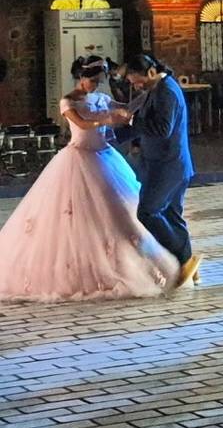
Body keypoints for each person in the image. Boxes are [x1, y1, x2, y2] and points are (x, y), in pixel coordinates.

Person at [0, 56, 179, 301]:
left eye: (98, 81)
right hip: (78, 159)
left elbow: (127, 108)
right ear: (81, 78)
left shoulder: (102, 99)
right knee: (74, 214)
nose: (95, 85)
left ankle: (137, 260)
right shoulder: (68, 101)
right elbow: (82, 124)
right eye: (91, 81)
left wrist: (145, 96)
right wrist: (107, 119)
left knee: (121, 211)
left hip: (105, 158)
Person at [121, 54, 201, 287]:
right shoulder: (157, 89)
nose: (135, 85)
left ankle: (184, 259)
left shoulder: (166, 92)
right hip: (168, 163)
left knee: (148, 211)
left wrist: (130, 121)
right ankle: (189, 269)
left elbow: (162, 129)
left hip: (168, 164)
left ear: (151, 72)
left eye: (136, 80)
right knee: (171, 214)